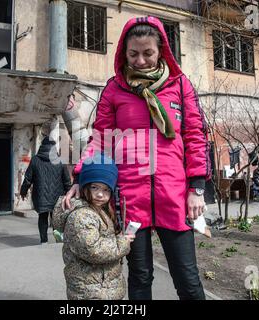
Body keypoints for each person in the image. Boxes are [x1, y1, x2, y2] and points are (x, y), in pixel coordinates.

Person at [63, 16, 209, 300]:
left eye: (148, 53)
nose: (140, 61)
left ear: (161, 51)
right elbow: (101, 140)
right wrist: (81, 177)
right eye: (133, 54)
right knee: (140, 277)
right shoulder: (114, 90)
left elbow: (195, 137)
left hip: (174, 195)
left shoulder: (180, 87)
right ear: (123, 52)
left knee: (187, 277)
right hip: (130, 199)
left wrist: (197, 188)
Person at [53, 154, 135, 299]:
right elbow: (93, 250)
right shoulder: (82, 216)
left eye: (106, 190)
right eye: (94, 187)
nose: (100, 194)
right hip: (91, 291)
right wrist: (123, 242)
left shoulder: (98, 210)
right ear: (84, 186)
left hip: (100, 287)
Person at [20, 136, 71, 244]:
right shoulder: (60, 161)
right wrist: (69, 194)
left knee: (42, 217)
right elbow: (66, 180)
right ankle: (58, 240)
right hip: (57, 196)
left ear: (42, 146)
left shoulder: (35, 160)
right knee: (56, 218)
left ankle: (44, 241)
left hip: (40, 195)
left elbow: (28, 179)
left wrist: (23, 192)